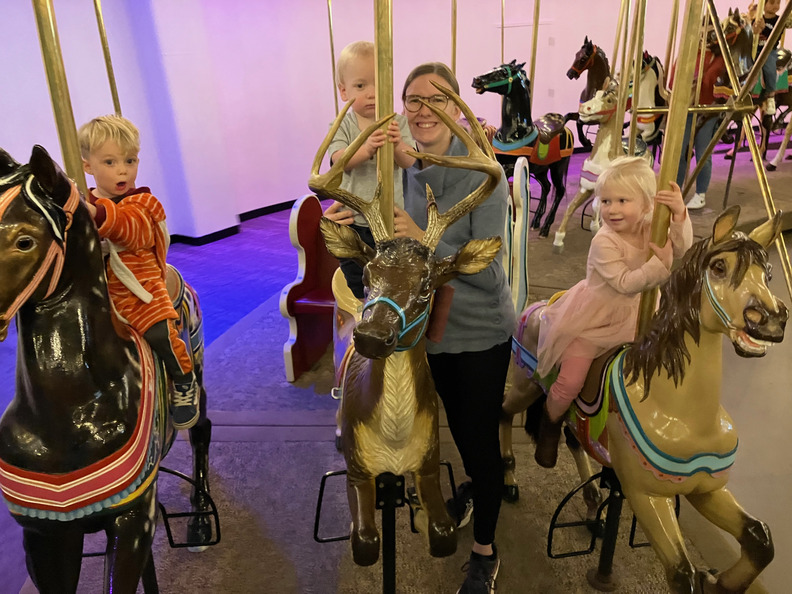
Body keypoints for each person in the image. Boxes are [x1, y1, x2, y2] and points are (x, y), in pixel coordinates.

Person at [396, 62, 515, 594]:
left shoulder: (483, 174)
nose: (422, 110)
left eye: (436, 99)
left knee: (475, 439)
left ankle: (486, 552)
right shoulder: (401, 170)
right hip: (423, 331)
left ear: (456, 107)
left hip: (475, 333)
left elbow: (490, 274)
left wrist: (424, 239)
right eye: (412, 100)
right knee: (431, 430)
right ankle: (472, 483)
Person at [534, 156, 693, 468]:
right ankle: (549, 426)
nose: (612, 209)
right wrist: (659, 267)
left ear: (648, 203)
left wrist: (679, 214)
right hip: (598, 319)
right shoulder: (604, 241)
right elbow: (624, 283)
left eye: (623, 200)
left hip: (643, 314)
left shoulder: (652, 227)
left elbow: (682, 245)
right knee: (571, 381)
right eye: (605, 201)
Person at [78, 115, 199, 430]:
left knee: (158, 328)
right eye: (110, 161)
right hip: (97, 285)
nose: (122, 169)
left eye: (129, 160)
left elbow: (130, 229)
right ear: (88, 166)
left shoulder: (144, 203)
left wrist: (96, 214)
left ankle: (184, 380)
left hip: (138, 284)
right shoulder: (83, 205)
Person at [326, 41, 416, 299]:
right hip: (353, 220)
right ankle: (360, 306)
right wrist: (365, 149)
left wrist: (398, 145)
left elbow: (409, 162)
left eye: (379, 83)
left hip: (391, 218)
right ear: (343, 91)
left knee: (393, 276)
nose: (372, 93)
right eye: (360, 85)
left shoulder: (397, 122)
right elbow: (338, 160)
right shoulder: (341, 124)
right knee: (357, 275)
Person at [750, 0, 783, 113]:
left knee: (769, 67)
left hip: (769, 50)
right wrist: (756, 28)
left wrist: (764, 28)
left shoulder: (779, 20)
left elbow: (775, 35)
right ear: (763, 5)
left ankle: (771, 96)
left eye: (778, 3)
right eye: (772, 2)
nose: (775, 6)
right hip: (757, 50)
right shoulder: (757, 19)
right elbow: (752, 33)